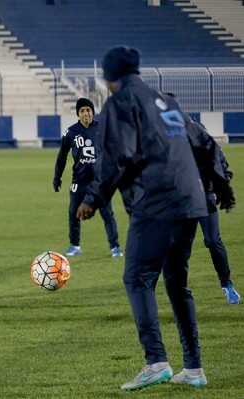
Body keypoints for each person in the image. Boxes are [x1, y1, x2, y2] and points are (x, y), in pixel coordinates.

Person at [76, 46, 233, 390]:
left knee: (137, 278)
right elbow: (205, 143)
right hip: (190, 201)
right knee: (177, 283)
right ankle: (194, 368)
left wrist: (92, 198)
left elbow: (118, 156)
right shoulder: (167, 101)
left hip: (157, 201)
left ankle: (155, 361)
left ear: (109, 77)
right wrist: (219, 186)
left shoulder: (121, 103)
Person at [53, 97, 122, 257]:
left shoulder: (102, 129)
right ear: (78, 114)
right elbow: (62, 156)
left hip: (100, 181)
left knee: (107, 214)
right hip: (79, 180)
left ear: (93, 112)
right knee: (73, 212)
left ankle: (115, 247)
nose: (86, 113)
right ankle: (75, 246)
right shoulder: (70, 132)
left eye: (88, 110)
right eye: (82, 111)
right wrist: (57, 177)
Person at [185, 118, 240, 304]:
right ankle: (179, 287)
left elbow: (223, 168)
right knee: (179, 245)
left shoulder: (206, 143)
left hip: (206, 198)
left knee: (212, 240)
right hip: (183, 202)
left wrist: (218, 188)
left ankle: (227, 284)